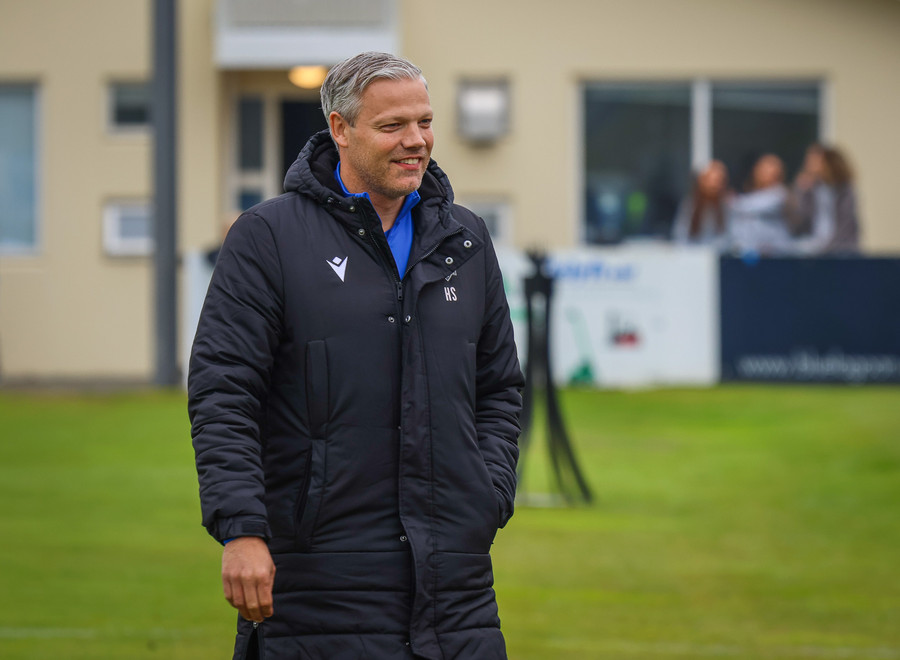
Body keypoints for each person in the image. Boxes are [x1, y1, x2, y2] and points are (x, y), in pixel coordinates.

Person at [188, 52, 524, 659]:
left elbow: (498, 386)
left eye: (424, 122)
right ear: (340, 130)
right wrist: (241, 529)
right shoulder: (269, 237)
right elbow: (224, 392)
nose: (416, 141)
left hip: (456, 586)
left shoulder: (467, 239)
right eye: (393, 126)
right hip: (318, 583)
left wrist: (487, 493)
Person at [788, 144, 861, 255]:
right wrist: (801, 191)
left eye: (814, 161)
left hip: (841, 249)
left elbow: (845, 226)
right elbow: (799, 223)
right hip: (815, 246)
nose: (808, 165)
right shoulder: (811, 189)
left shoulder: (844, 191)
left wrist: (826, 248)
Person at [728, 153, 793, 256]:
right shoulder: (750, 194)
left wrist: (732, 201)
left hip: (777, 253)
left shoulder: (780, 193)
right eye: (763, 168)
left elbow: (748, 206)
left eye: (770, 169)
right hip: (750, 254)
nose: (765, 172)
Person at [671, 159, 731, 249]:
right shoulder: (690, 205)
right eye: (710, 180)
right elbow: (680, 234)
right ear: (701, 181)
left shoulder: (726, 207)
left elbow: (728, 238)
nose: (714, 185)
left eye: (718, 181)